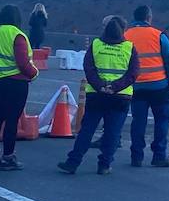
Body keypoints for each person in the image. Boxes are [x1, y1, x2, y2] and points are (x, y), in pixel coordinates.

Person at [59, 16, 140, 175]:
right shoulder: (130, 48)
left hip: (97, 95)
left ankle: (73, 162)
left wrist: (100, 86)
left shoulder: (96, 45)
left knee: (87, 130)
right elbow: (133, 73)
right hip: (120, 97)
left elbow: (88, 69)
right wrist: (115, 87)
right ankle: (104, 164)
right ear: (122, 31)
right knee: (112, 132)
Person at [0, 5, 38, 170]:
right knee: (12, 120)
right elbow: (23, 63)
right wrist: (34, 74)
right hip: (16, 83)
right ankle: (8, 157)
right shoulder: (17, 35)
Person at [125, 5, 169, 168]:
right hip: (159, 86)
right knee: (161, 121)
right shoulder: (158, 35)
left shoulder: (125, 35)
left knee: (138, 122)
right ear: (149, 18)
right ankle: (159, 155)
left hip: (137, 86)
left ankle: (136, 156)